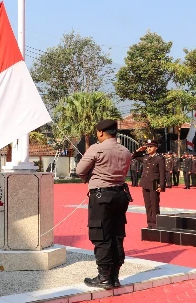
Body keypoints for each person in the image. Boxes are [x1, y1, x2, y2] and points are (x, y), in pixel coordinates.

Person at [75, 119, 132, 290]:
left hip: (101, 196)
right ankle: (114, 276)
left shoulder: (96, 148)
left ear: (100, 132)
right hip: (120, 195)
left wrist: (90, 176)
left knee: (101, 235)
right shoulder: (125, 150)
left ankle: (104, 277)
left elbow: (79, 171)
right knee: (117, 235)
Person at [132, 140, 165, 228]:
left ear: (156, 148)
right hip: (145, 182)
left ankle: (155, 223)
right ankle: (149, 222)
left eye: (151, 146)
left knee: (154, 203)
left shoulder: (159, 158)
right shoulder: (145, 157)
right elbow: (133, 156)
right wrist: (139, 150)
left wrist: (161, 186)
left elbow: (162, 173)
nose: (149, 148)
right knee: (147, 204)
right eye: (148, 147)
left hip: (154, 182)